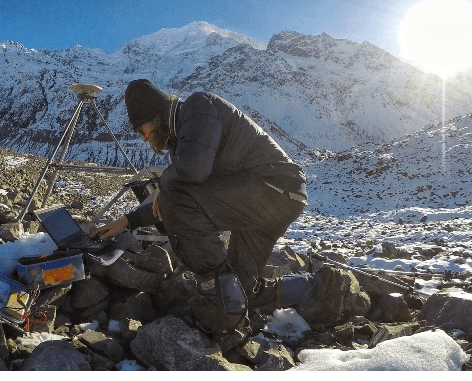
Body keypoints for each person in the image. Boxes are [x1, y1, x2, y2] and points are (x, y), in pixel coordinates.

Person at [91, 79, 322, 336]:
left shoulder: (199, 107)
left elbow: (192, 174)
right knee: (242, 290)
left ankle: (215, 294)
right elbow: (181, 197)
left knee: (224, 289)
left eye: (142, 129)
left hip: (272, 189)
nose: (145, 138)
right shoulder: (183, 140)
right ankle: (322, 289)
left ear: (154, 117)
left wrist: (164, 185)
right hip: (278, 199)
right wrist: (127, 221)